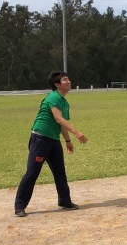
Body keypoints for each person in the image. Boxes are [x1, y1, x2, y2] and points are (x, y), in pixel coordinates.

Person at [14, 71, 89, 217]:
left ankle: (64, 201)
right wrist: (76, 132)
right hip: (40, 139)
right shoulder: (53, 97)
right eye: (65, 80)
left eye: (68, 79)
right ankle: (19, 205)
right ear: (57, 84)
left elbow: (61, 124)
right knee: (32, 173)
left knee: (60, 172)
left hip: (53, 140)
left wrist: (67, 141)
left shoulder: (64, 102)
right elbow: (58, 119)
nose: (69, 82)